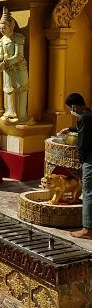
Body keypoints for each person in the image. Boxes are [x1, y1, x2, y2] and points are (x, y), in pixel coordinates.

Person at [60, 93, 92, 239]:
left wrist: (81, 159)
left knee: (88, 192)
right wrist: (71, 128)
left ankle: (87, 229)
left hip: (90, 159)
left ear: (73, 106)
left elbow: (83, 141)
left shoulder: (83, 118)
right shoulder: (89, 114)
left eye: (70, 110)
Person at [0, 7, 32, 125]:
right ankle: (9, 113)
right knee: (8, 91)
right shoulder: (2, 40)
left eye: (4, 28)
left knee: (20, 91)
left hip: (18, 69)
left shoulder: (19, 38)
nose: (2, 30)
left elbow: (19, 56)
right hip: (7, 70)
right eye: (1, 28)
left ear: (11, 26)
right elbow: (1, 54)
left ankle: (21, 116)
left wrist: (4, 64)